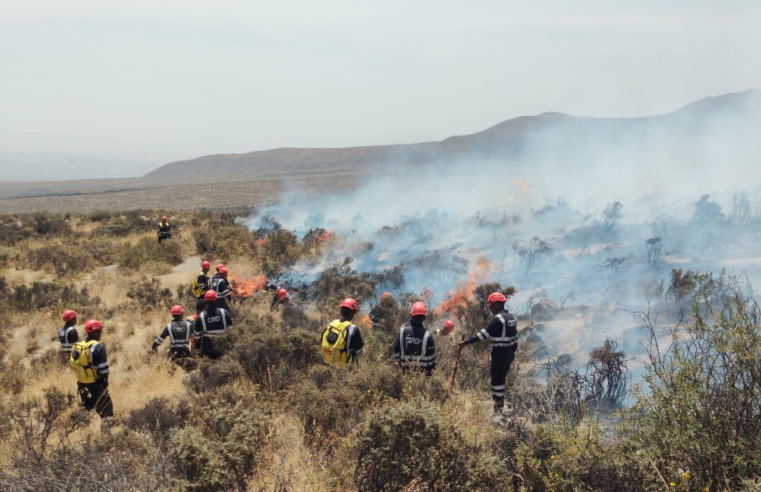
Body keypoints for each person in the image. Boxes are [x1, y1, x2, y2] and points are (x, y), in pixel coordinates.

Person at [458, 292, 518, 413]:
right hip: (509, 353)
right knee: (501, 379)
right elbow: (515, 339)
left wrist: (466, 342)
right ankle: (500, 405)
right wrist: (511, 354)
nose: (490, 309)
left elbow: (482, 335)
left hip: (499, 353)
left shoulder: (497, 319)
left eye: (491, 306)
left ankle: (498, 406)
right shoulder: (513, 318)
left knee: (497, 380)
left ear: (496, 304)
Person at [69, 319, 113, 421]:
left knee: (85, 411)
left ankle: (81, 432)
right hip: (96, 385)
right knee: (106, 412)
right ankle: (107, 433)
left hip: (82, 384)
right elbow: (104, 369)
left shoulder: (79, 346)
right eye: (100, 332)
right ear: (97, 332)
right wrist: (104, 382)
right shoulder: (98, 346)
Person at [393, 302, 436, 376]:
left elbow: (396, 349)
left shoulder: (403, 330)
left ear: (411, 315)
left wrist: (398, 365)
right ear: (424, 318)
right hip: (421, 376)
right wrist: (429, 374)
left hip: (404, 374)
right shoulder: (428, 335)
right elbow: (432, 360)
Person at [320, 298, 364, 366]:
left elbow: (321, 341)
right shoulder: (353, 329)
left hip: (325, 365)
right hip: (344, 371)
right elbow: (358, 351)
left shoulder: (330, 324)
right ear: (353, 313)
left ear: (341, 311)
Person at [194, 290, 234, 359]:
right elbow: (231, 330)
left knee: (208, 365)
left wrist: (198, 347)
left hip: (207, 346)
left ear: (205, 301)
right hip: (222, 345)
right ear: (216, 300)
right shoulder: (224, 312)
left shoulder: (201, 316)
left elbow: (197, 336)